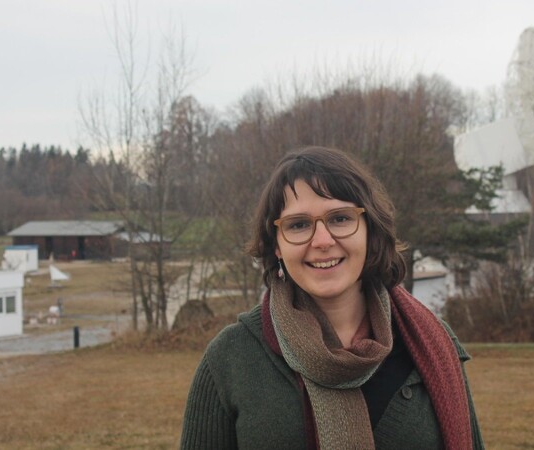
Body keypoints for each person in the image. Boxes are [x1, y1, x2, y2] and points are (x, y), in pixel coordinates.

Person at [181, 146, 484, 449]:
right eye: (298, 225)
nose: (323, 241)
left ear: (369, 230)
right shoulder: (231, 358)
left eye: (340, 218)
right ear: (276, 246)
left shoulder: (431, 346)